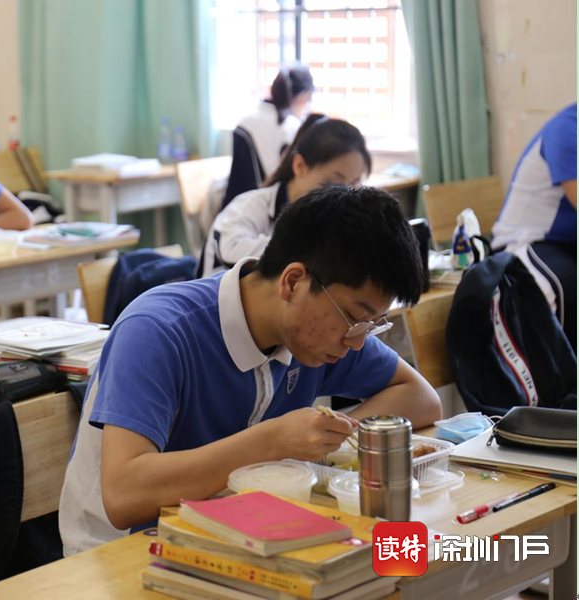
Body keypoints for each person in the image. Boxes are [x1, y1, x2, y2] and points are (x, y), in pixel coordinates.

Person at [59, 184, 442, 555]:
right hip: (119, 554)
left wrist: (336, 437)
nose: (356, 342)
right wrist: (273, 443)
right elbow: (124, 496)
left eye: (371, 325)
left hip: (240, 531)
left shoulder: (316, 334)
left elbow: (421, 399)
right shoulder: (158, 331)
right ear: (293, 282)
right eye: (355, 318)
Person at [200, 114, 370, 278]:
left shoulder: (335, 216)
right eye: (334, 183)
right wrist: (314, 245)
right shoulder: (249, 206)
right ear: (300, 166)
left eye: (354, 183)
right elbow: (231, 250)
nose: (343, 194)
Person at [491, 103, 577, 350]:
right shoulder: (567, 128)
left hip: (564, 245)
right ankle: (562, 372)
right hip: (522, 243)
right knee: (569, 284)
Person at [222, 63, 315, 210]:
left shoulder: (245, 122)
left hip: (233, 208)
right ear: (304, 97)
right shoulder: (293, 127)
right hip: (265, 212)